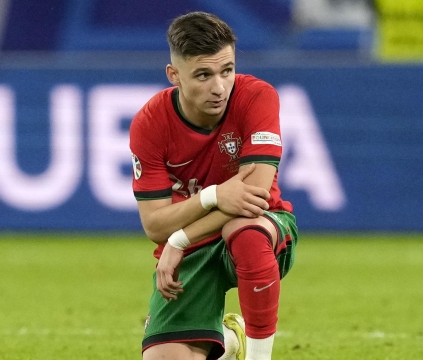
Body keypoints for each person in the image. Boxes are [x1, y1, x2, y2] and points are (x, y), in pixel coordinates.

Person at [129, 11, 298, 360]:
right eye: (203, 75)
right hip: (193, 247)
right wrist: (214, 195)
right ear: (174, 75)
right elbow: (154, 225)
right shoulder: (150, 123)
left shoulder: (257, 96)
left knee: (245, 228)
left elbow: (254, 198)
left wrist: (181, 237)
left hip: (266, 230)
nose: (219, 87)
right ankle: (228, 340)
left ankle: (258, 356)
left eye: (227, 70)